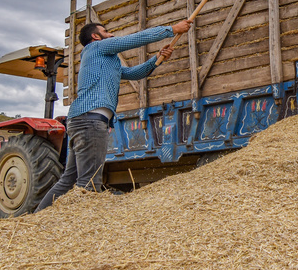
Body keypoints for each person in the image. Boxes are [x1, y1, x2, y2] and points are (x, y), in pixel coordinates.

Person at [35, 18, 192, 213]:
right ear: (95, 36)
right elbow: (132, 40)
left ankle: (35, 218)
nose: (111, 35)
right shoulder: (96, 48)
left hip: (81, 120)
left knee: (69, 178)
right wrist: (172, 29)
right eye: (106, 31)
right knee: (89, 182)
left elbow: (135, 73)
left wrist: (157, 59)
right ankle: (82, 228)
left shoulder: (107, 60)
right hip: (90, 121)